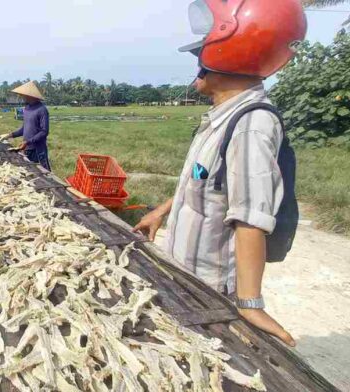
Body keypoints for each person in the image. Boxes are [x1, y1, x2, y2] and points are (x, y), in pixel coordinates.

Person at [133, 0, 307, 347]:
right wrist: (162, 212)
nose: (197, 65)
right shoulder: (223, 116)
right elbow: (206, 180)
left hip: (207, 286)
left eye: (202, 56)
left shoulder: (250, 125)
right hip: (186, 269)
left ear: (228, 54)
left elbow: (250, 217)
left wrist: (249, 303)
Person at [0, 81, 52, 171]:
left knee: (44, 173)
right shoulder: (26, 109)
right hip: (26, 148)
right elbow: (24, 129)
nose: (22, 97)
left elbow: (44, 131)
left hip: (38, 150)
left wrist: (28, 142)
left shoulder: (42, 110)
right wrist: (9, 135)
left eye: (23, 95)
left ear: (30, 95)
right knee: (29, 171)